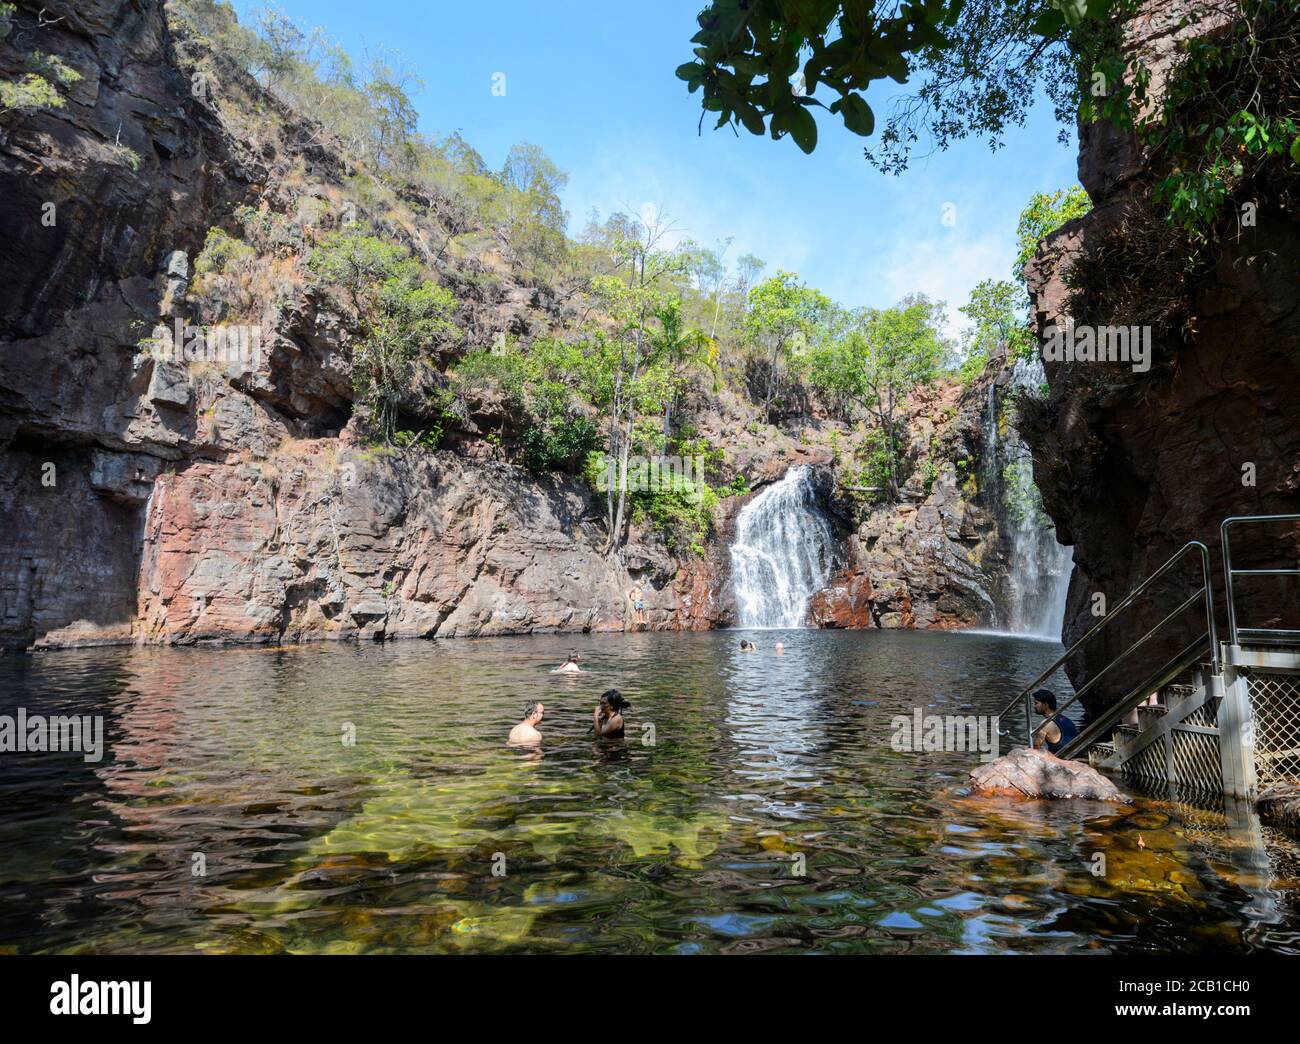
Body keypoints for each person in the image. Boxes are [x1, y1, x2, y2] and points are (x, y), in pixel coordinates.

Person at [1030, 689, 1078, 755]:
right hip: (1073, 755)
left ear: (1045, 705)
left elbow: (1036, 749)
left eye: (1036, 703)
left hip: (1060, 759)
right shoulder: (1065, 719)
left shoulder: (1045, 724)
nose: (1034, 706)